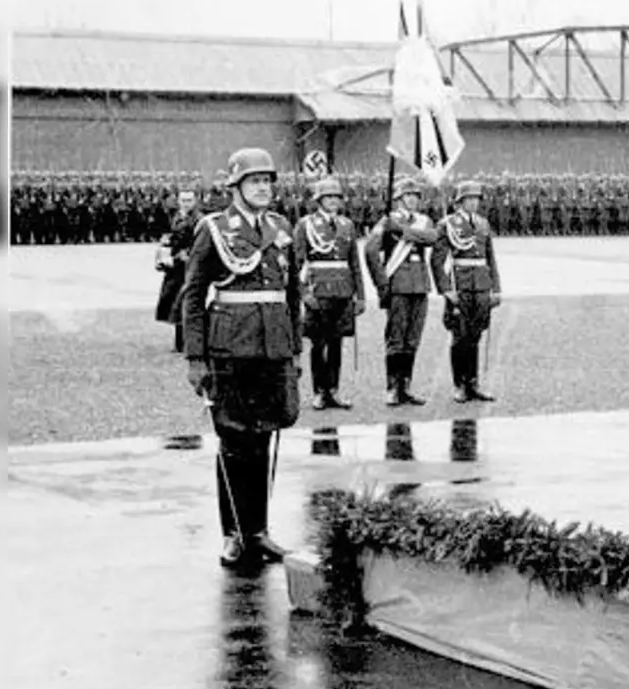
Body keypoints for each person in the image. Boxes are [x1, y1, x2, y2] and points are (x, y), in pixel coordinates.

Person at [179, 146, 302, 568]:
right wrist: (196, 358)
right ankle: (233, 533)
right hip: (230, 349)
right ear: (236, 187)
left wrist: (294, 350)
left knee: (263, 437)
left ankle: (259, 531)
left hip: (272, 349)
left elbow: (293, 295)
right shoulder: (214, 229)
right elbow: (192, 296)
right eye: (254, 181)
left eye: (268, 181)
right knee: (234, 441)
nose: (263, 188)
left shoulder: (282, 227)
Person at [364, 176, 440, 406]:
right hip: (397, 284)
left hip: (420, 285)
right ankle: (392, 387)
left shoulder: (423, 220)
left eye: (416, 196)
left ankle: (406, 386)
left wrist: (403, 231)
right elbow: (370, 251)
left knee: (413, 339)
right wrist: (381, 283)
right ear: (398, 199)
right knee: (396, 339)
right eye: (408, 196)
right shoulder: (387, 222)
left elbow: (433, 237)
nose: (412, 200)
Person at [294, 177, 366, 410]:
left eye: (337, 197)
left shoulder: (347, 225)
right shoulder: (305, 225)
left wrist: (361, 295)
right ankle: (318, 391)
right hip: (318, 291)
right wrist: (303, 293)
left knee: (336, 344)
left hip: (343, 292)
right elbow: (296, 264)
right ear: (319, 200)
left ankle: (334, 390)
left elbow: (355, 262)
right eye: (329, 197)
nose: (334, 201)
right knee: (318, 344)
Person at [431, 179, 502, 402]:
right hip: (459, 285)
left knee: (476, 334)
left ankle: (473, 383)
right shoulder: (447, 224)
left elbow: (490, 257)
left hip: (481, 286)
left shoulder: (483, 224)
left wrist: (496, 288)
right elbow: (437, 259)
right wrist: (445, 289)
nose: (473, 203)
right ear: (459, 201)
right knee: (459, 336)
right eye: (468, 199)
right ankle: (459, 384)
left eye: (476, 199)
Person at [154, 188, 201, 354]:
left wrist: (189, 253)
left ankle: (189, 343)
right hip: (176, 267)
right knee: (174, 303)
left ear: (195, 201)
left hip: (191, 268)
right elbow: (169, 239)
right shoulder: (175, 217)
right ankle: (179, 342)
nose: (186, 203)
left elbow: (201, 243)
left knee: (189, 303)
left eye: (189, 200)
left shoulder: (199, 220)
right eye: (183, 200)